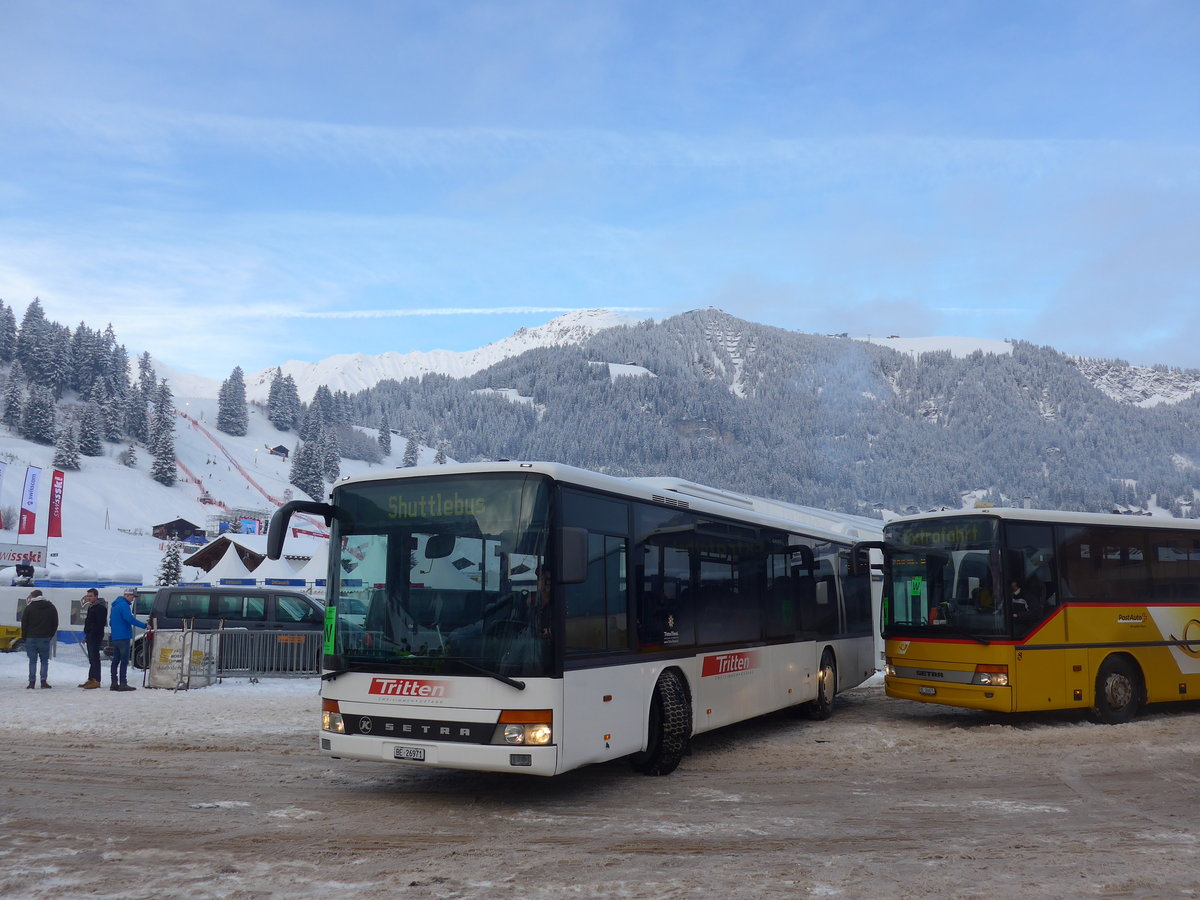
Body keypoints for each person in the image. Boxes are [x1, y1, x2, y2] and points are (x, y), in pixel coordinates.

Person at [108, 587, 148, 691]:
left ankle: (113, 682)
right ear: (126, 595)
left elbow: (111, 622)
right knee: (124, 661)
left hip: (115, 637)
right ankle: (123, 683)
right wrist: (144, 626)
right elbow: (129, 619)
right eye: (132, 596)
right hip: (123, 637)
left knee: (115, 661)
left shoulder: (115, 606)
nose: (133, 599)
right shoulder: (124, 605)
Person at [20, 589, 58, 689]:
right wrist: (50, 634)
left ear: (33, 597)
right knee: (44, 661)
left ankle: (31, 682)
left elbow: (24, 623)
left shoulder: (29, 608)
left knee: (32, 661)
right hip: (45, 637)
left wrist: (24, 636)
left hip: (31, 637)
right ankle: (43, 681)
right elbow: (55, 622)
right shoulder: (50, 607)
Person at [78, 588, 107, 689]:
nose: (88, 598)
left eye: (90, 596)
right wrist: (87, 636)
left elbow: (100, 624)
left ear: (96, 596)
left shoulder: (100, 608)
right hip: (90, 635)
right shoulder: (91, 607)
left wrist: (91, 635)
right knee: (91, 658)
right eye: (88, 596)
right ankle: (91, 678)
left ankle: (97, 680)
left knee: (95, 658)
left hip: (95, 636)